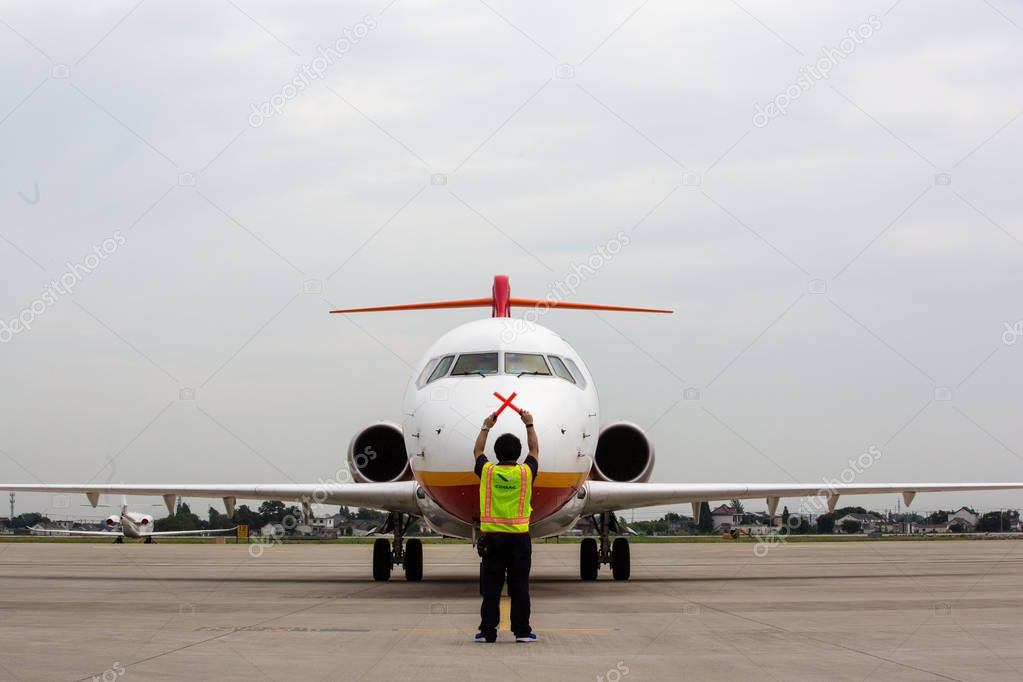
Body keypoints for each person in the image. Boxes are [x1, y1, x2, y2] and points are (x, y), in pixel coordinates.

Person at [472, 407, 539, 643]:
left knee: (491, 588)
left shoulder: (488, 472)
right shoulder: (526, 473)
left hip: (493, 540)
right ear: (518, 454)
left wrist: (486, 426)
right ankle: (522, 632)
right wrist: (529, 424)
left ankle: (487, 632)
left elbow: (478, 451)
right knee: (520, 587)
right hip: (519, 540)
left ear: (497, 454)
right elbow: (535, 450)